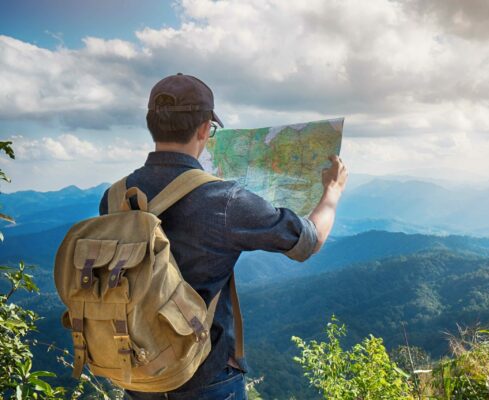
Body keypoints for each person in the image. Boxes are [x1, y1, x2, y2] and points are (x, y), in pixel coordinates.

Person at [99, 73, 348, 400]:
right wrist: (331, 193)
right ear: (205, 129)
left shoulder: (115, 196)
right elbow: (308, 241)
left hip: (139, 373)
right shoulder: (224, 200)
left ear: (152, 125)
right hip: (206, 377)